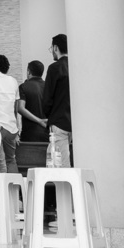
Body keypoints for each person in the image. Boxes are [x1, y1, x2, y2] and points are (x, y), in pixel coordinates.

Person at [43, 34, 71, 168]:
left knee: (60, 166)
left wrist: (47, 114)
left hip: (59, 121)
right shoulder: (76, 66)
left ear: (55, 48)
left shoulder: (54, 68)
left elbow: (47, 97)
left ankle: (65, 190)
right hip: (74, 122)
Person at [18, 60, 49, 142]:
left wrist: (39, 120)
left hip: (29, 134)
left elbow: (20, 108)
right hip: (48, 132)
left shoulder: (23, 86)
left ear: (28, 72)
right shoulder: (49, 86)